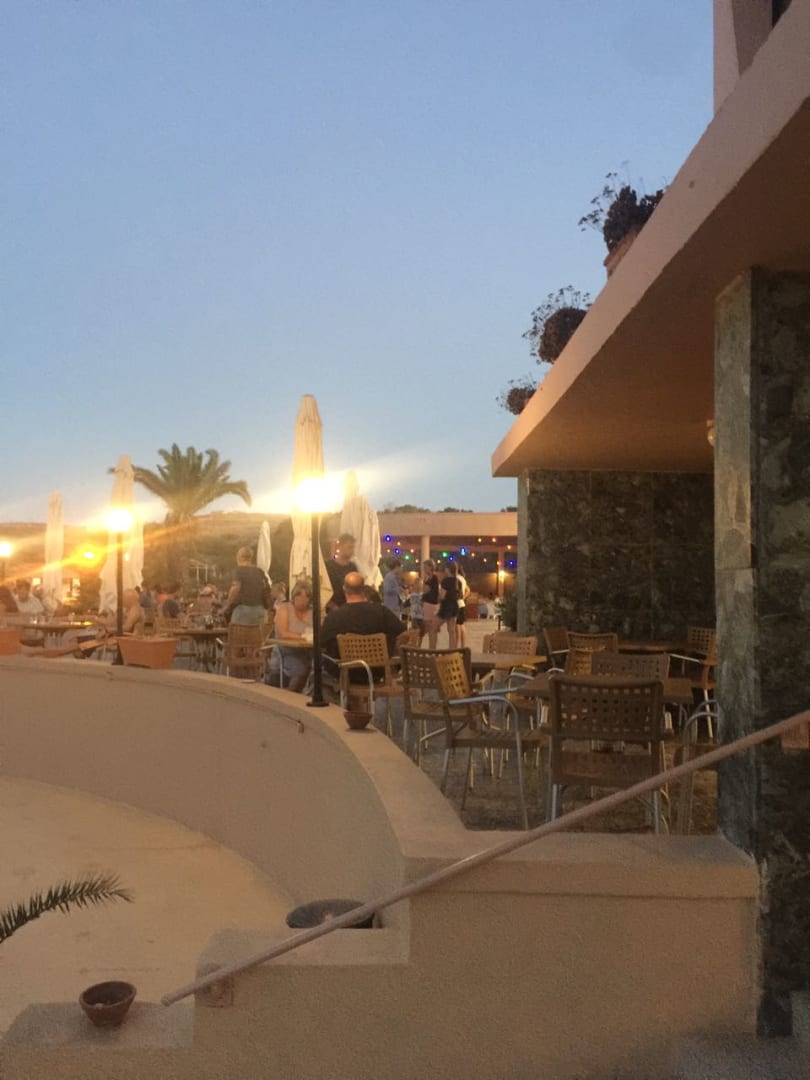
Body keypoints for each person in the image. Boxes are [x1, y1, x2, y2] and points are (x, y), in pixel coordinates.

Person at [320, 571, 410, 685]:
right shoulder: (381, 612)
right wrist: (392, 652)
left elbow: (322, 643)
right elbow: (404, 634)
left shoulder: (334, 617)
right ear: (363, 589)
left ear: (344, 589)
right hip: (377, 671)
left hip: (345, 671)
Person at [266, 580, 314, 693]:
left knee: (320, 665)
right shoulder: (284, 608)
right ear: (293, 596)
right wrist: (305, 636)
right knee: (301, 666)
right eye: (299, 595)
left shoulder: (313, 612)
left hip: (307, 651)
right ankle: (289, 695)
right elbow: (283, 634)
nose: (302, 599)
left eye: (306, 596)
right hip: (285, 652)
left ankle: (305, 694)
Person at [225, 546, 270, 626]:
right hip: (259, 609)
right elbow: (267, 588)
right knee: (256, 633)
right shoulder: (260, 571)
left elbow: (236, 588)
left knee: (238, 632)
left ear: (239, 557)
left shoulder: (239, 570)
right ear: (251, 558)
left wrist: (227, 605)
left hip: (243, 609)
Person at [325, 533, 358, 607]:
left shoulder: (353, 567)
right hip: (331, 607)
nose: (352, 551)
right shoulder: (328, 566)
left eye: (353, 548)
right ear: (340, 546)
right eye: (349, 547)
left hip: (349, 607)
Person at [435, 562, 461, 649]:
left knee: (433, 626)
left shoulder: (445, 581)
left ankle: (432, 647)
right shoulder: (458, 581)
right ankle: (452, 650)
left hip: (446, 608)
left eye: (445, 568)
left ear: (448, 569)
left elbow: (442, 596)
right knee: (451, 630)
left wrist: (437, 598)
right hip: (454, 607)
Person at [421, 559, 440, 648]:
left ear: (430, 567)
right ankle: (431, 647)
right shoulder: (427, 578)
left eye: (425, 567)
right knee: (430, 628)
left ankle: (432, 647)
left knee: (431, 628)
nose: (424, 569)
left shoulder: (434, 578)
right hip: (427, 603)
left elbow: (425, 590)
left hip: (431, 604)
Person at [455, 566, 470, 647]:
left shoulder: (456, 579)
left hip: (457, 604)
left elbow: (457, 592)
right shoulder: (462, 579)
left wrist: (459, 598)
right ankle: (463, 646)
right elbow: (468, 590)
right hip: (461, 604)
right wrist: (463, 598)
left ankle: (456, 647)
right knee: (461, 625)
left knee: (457, 627)